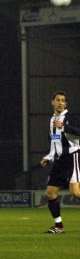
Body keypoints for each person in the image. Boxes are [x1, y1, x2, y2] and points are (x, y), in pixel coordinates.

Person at [40, 91, 80, 234]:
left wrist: (64, 126)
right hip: (59, 160)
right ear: (52, 102)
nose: (60, 103)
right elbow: (55, 142)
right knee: (50, 193)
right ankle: (59, 226)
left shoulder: (70, 117)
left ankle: (59, 226)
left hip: (71, 157)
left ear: (66, 104)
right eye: (58, 100)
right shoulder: (52, 120)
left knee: (75, 192)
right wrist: (49, 157)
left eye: (63, 100)